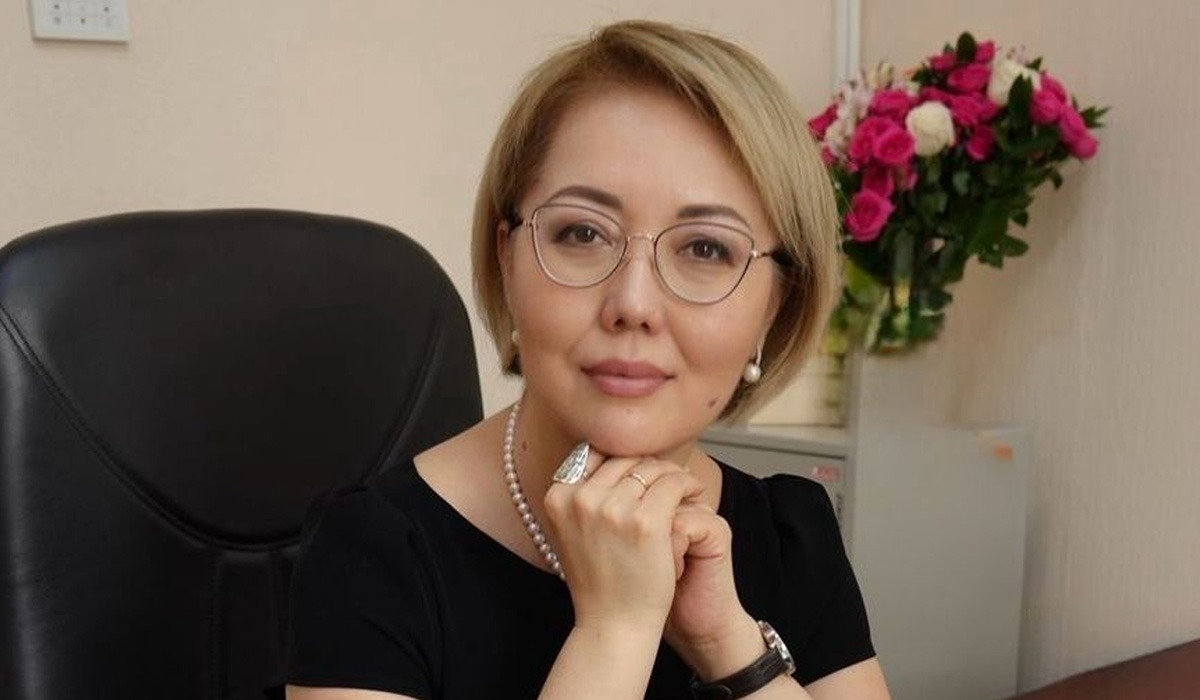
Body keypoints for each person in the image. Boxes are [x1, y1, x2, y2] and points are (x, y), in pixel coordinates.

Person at [285, 19, 890, 700]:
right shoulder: (371, 552)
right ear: (507, 259)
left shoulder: (792, 533)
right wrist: (616, 628)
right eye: (582, 233)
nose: (634, 303)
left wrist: (729, 644)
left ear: (776, 305)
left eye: (705, 248)